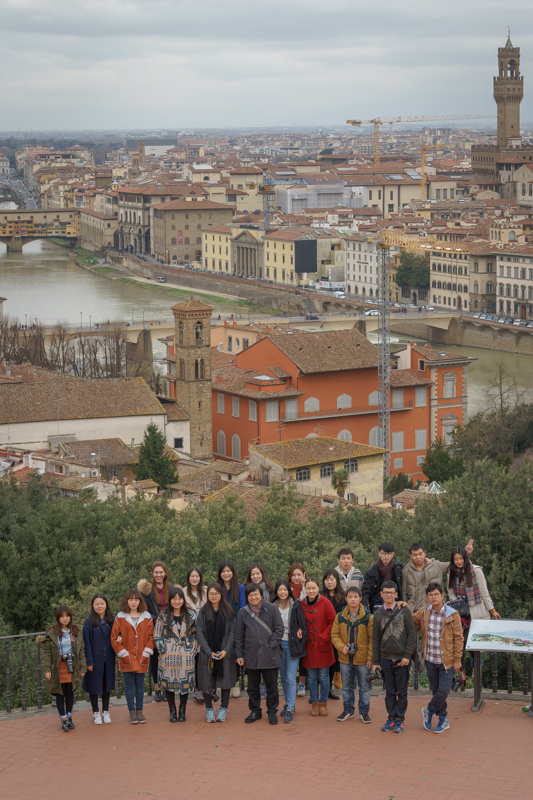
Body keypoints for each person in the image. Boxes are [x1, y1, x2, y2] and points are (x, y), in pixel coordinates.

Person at [413, 582, 463, 734]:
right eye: (430, 595)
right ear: (427, 597)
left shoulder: (452, 614)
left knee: (444, 690)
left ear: (442, 596)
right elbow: (410, 620)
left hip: (446, 661)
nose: (433, 597)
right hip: (430, 659)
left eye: (436, 594)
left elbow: (458, 638)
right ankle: (442, 718)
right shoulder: (424, 612)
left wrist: (457, 659)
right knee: (436, 691)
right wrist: (402, 606)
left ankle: (429, 710)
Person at [235, 583, 284, 725]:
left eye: (256, 594)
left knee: (272, 686)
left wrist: (272, 644)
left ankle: (272, 711)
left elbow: (279, 628)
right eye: (250, 595)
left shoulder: (272, 608)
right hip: (252, 654)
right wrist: (239, 654)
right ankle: (255, 710)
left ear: (261, 595)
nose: (253, 597)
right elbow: (239, 635)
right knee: (252, 687)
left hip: (270, 654)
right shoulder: (243, 612)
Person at [372, 580, 416, 733]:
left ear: (396, 594)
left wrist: (407, 655)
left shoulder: (404, 611)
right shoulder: (378, 614)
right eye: (386, 592)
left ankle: (400, 719)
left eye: (391, 592)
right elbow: (375, 639)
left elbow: (411, 635)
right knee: (390, 691)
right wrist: (376, 661)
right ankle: (391, 717)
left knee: (402, 691)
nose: (389, 595)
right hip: (385, 658)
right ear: (381, 594)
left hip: (401, 659)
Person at [448, 546, 501, 661]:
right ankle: (461, 668)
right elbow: (450, 592)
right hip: (460, 612)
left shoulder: (476, 571)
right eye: (456, 559)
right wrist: (456, 600)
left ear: (465, 558)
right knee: (459, 641)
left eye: (461, 558)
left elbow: (484, 592)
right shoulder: (451, 573)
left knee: (472, 640)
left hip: (476, 610)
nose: (459, 561)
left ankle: (476, 665)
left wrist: (492, 610)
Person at [154, 586, 197, 723]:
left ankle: (182, 709)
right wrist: (163, 652)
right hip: (168, 653)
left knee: (185, 683)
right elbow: (157, 635)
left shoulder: (191, 615)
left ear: (183, 600)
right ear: (169, 600)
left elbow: (196, 635)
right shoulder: (163, 615)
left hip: (186, 654)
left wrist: (192, 651)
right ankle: (172, 709)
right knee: (169, 682)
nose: (177, 601)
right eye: (174, 599)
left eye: (179, 599)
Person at [111, 588, 154, 725]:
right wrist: (123, 653)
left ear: (140, 601)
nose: (133, 602)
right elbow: (114, 638)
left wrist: (146, 652)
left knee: (140, 685)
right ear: (127, 601)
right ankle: (131, 711)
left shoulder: (147, 617)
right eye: (131, 599)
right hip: (126, 657)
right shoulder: (120, 617)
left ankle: (139, 711)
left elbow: (151, 637)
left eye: (136, 600)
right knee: (129, 685)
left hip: (142, 656)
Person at [331, 586, 373, 724]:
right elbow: (334, 634)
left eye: (355, 597)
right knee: (346, 687)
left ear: (360, 598)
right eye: (350, 597)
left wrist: (370, 658)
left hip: (363, 659)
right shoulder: (340, 616)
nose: (353, 599)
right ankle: (348, 710)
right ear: (346, 599)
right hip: (345, 658)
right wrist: (341, 647)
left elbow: (373, 639)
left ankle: (364, 711)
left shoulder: (368, 617)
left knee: (364, 688)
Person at [41, 606, 86, 732]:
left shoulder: (75, 631)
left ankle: (70, 717)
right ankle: (63, 720)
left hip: (72, 664)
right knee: (60, 693)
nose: (65, 619)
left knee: (70, 692)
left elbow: (81, 651)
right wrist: (47, 669)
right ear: (58, 618)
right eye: (62, 616)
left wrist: (83, 667)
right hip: (58, 666)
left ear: (70, 617)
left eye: (67, 616)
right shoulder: (52, 633)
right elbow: (47, 653)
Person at [196, 582, 236, 722]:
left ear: (221, 594)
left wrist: (226, 650)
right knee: (206, 681)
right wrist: (208, 651)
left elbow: (232, 633)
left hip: (224, 653)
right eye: (211, 593)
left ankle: (224, 708)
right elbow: (199, 633)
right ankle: (209, 709)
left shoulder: (228, 611)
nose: (214, 596)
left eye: (217, 593)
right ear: (207, 595)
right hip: (208, 654)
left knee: (225, 681)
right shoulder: (203, 611)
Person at [272, 579, 308, 724]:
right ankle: (288, 703)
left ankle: (290, 709)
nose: (282, 592)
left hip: (292, 645)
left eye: (285, 589)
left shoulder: (295, 605)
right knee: (283, 677)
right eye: (280, 589)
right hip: (278, 646)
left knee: (290, 677)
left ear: (289, 591)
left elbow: (303, 627)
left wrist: (301, 644)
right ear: (276, 591)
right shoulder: (272, 606)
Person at [402, 540, 474, 612]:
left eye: (420, 554)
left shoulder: (436, 565)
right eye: (415, 555)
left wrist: (466, 554)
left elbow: (454, 564)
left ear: (424, 553)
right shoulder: (406, 571)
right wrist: (406, 609)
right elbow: (404, 593)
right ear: (410, 556)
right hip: (415, 610)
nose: (418, 557)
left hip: (435, 608)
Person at [301, 577, 336, 717]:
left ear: (318, 588)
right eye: (308, 588)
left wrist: (324, 636)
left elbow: (333, 621)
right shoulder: (302, 604)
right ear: (305, 589)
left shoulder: (326, 603)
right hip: (308, 646)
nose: (311, 591)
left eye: (313, 588)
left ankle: (323, 703)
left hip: (323, 645)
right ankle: (314, 703)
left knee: (324, 676)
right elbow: (298, 622)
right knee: (311, 676)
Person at [138, 561, 171, 702]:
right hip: (153, 627)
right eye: (156, 572)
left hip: (169, 628)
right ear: (152, 573)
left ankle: (167, 688)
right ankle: (158, 689)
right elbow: (143, 609)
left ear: (165, 573)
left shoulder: (171, 589)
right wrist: (157, 620)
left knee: (168, 658)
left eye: (161, 572)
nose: (159, 575)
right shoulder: (147, 590)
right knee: (155, 659)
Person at [82, 594, 116, 725]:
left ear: (106, 604)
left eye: (102, 603)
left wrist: (119, 636)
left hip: (109, 658)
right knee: (94, 686)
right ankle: (96, 712)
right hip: (95, 659)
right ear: (93, 605)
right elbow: (86, 643)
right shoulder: (88, 621)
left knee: (106, 686)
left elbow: (119, 632)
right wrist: (88, 661)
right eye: (97, 604)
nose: (99, 606)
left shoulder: (112, 619)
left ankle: (106, 711)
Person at [217, 560, 246, 697]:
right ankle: (224, 683)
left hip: (236, 625)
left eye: (228, 571)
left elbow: (242, 607)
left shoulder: (240, 588)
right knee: (223, 652)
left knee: (235, 653)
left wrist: (238, 625)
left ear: (233, 572)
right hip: (220, 626)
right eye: (223, 571)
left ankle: (235, 683)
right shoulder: (217, 588)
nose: (226, 574)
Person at [321, 569, 346, 699]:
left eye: (332, 579)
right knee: (322, 663)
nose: (329, 582)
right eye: (327, 579)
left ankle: (329, 689)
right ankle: (320, 691)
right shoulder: (320, 596)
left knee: (333, 661)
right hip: (322, 633)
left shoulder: (343, 596)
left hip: (338, 634)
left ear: (337, 581)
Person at [184, 566, 207, 702]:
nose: (194, 578)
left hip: (205, 629)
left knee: (204, 659)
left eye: (197, 576)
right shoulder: (183, 592)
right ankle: (196, 688)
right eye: (192, 576)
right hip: (189, 631)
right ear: (188, 578)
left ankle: (204, 688)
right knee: (193, 658)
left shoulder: (206, 591)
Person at [362, 542, 404, 612]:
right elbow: (365, 592)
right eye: (384, 553)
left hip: (396, 602)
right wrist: (365, 609)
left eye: (389, 553)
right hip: (377, 603)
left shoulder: (399, 568)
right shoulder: (371, 572)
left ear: (392, 554)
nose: (386, 556)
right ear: (379, 554)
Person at [287, 563, 307, 696]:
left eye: (299, 574)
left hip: (305, 625)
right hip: (290, 626)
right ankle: (291, 683)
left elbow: (307, 602)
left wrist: (304, 586)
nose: (296, 577)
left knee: (303, 656)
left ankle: (302, 683)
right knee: (291, 657)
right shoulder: (286, 588)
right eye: (293, 575)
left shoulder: (307, 587)